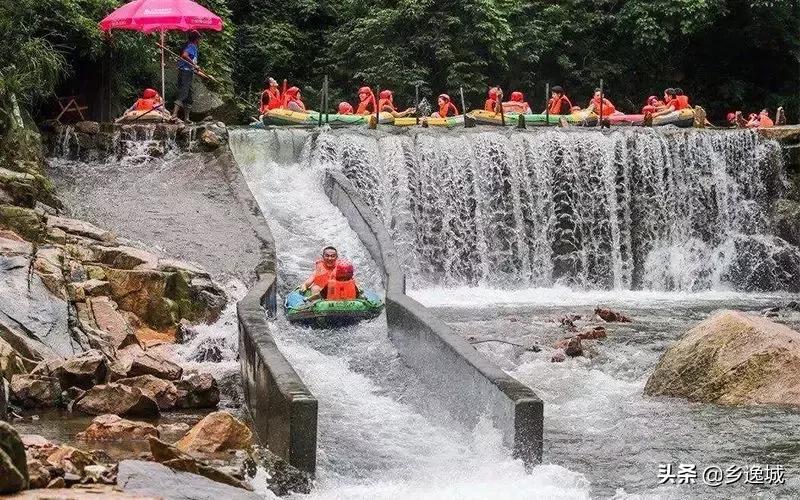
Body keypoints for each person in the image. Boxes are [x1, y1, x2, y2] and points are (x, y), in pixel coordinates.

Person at [173, 30, 201, 121]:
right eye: (199, 38)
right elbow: (184, 55)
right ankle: (174, 115)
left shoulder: (191, 46)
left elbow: (193, 67)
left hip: (188, 72)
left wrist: (196, 68)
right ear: (196, 39)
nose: (200, 40)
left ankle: (187, 118)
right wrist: (194, 64)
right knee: (183, 92)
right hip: (185, 72)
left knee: (189, 95)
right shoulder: (191, 46)